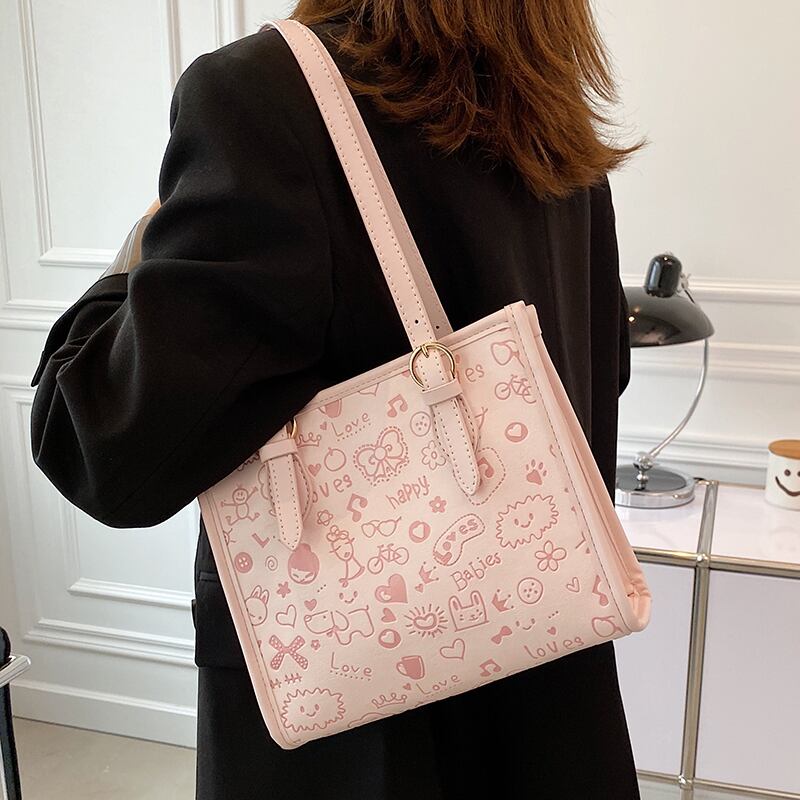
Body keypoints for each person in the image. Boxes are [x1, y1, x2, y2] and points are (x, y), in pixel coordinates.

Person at [30, 3, 641, 798]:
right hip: (548, 696)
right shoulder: (549, 112)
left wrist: (143, 241)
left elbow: (101, 445)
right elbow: (602, 368)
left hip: (360, 728)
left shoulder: (266, 96)